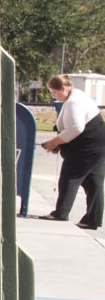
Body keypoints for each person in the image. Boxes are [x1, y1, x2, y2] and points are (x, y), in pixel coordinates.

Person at [40, 74, 105, 228]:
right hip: (99, 143)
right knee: (93, 182)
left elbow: (75, 128)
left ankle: (61, 213)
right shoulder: (78, 96)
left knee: (70, 177)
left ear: (63, 88)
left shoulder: (73, 102)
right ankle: (92, 219)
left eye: (54, 92)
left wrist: (53, 143)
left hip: (87, 147)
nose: (53, 96)